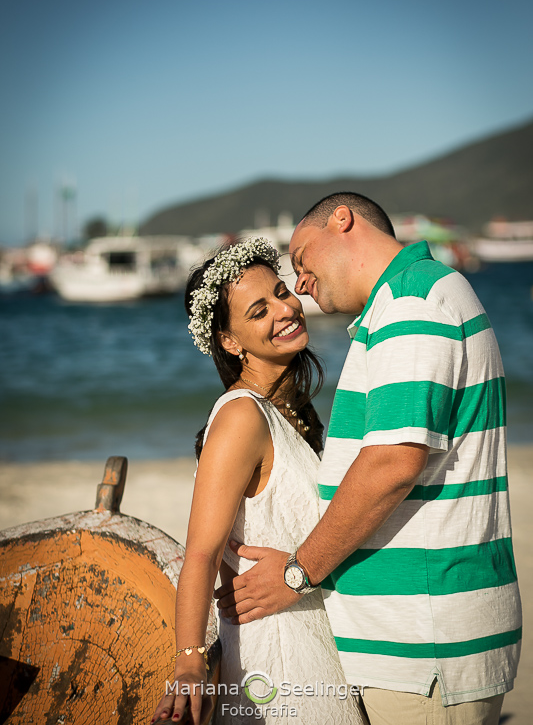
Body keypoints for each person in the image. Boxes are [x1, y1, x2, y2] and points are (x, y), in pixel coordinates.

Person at [215, 194, 522, 725]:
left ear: (343, 221)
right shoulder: (410, 301)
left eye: (302, 262)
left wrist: (295, 574)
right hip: (423, 643)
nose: (302, 285)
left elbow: (392, 463)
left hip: (425, 648)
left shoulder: (411, 304)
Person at [151, 237, 364, 725]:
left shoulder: (289, 413)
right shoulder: (241, 417)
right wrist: (188, 661)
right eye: (258, 310)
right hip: (279, 660)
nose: (285, 311)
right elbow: (202, 552)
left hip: (317, 643)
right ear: (229, 341)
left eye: (283, 293)